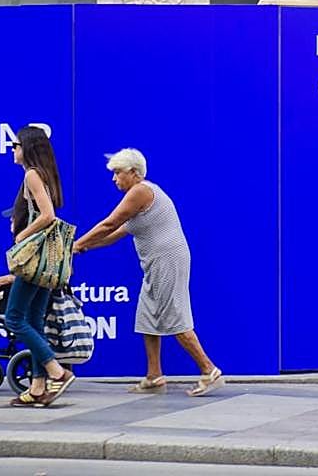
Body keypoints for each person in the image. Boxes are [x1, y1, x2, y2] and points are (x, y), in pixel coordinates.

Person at [72, 148, 223, 396]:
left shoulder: (140, 191)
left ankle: (209, 370)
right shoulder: (140, 198)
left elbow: (109, 224)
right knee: (147, 318)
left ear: (134, 173)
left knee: (173, 317)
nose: (114, 179)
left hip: (167, 261)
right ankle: (154, 376)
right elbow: (113, 236)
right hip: (158, 263)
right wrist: (81, 248)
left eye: (118, 173)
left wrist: (76, 244)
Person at [0, 126, 76, 407]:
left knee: (14, 318)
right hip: (48, 264)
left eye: (15, 145)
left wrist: (23, 235)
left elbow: (47, 215)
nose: (12, 150)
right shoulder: (47, 174)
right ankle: (37, 388)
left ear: (26, 146)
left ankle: (56, 372)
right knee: (35, 321)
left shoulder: (32, 175)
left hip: (34, 261)